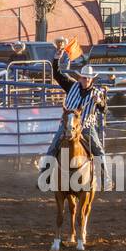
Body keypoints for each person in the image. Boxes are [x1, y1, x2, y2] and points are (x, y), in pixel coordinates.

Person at [47, 53, 108, 189]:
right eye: (83, 77)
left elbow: (104, 109)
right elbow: (57, 74)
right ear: (79, 77)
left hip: (86, 126)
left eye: (88, 78)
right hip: (66, 126)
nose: (85, 80)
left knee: (99, 150)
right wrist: (56, 58)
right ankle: (45, 175)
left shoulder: (97, 93)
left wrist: (99, 102)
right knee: (52, 147)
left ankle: (105, 178)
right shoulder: (71, 85)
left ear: (92, 80)